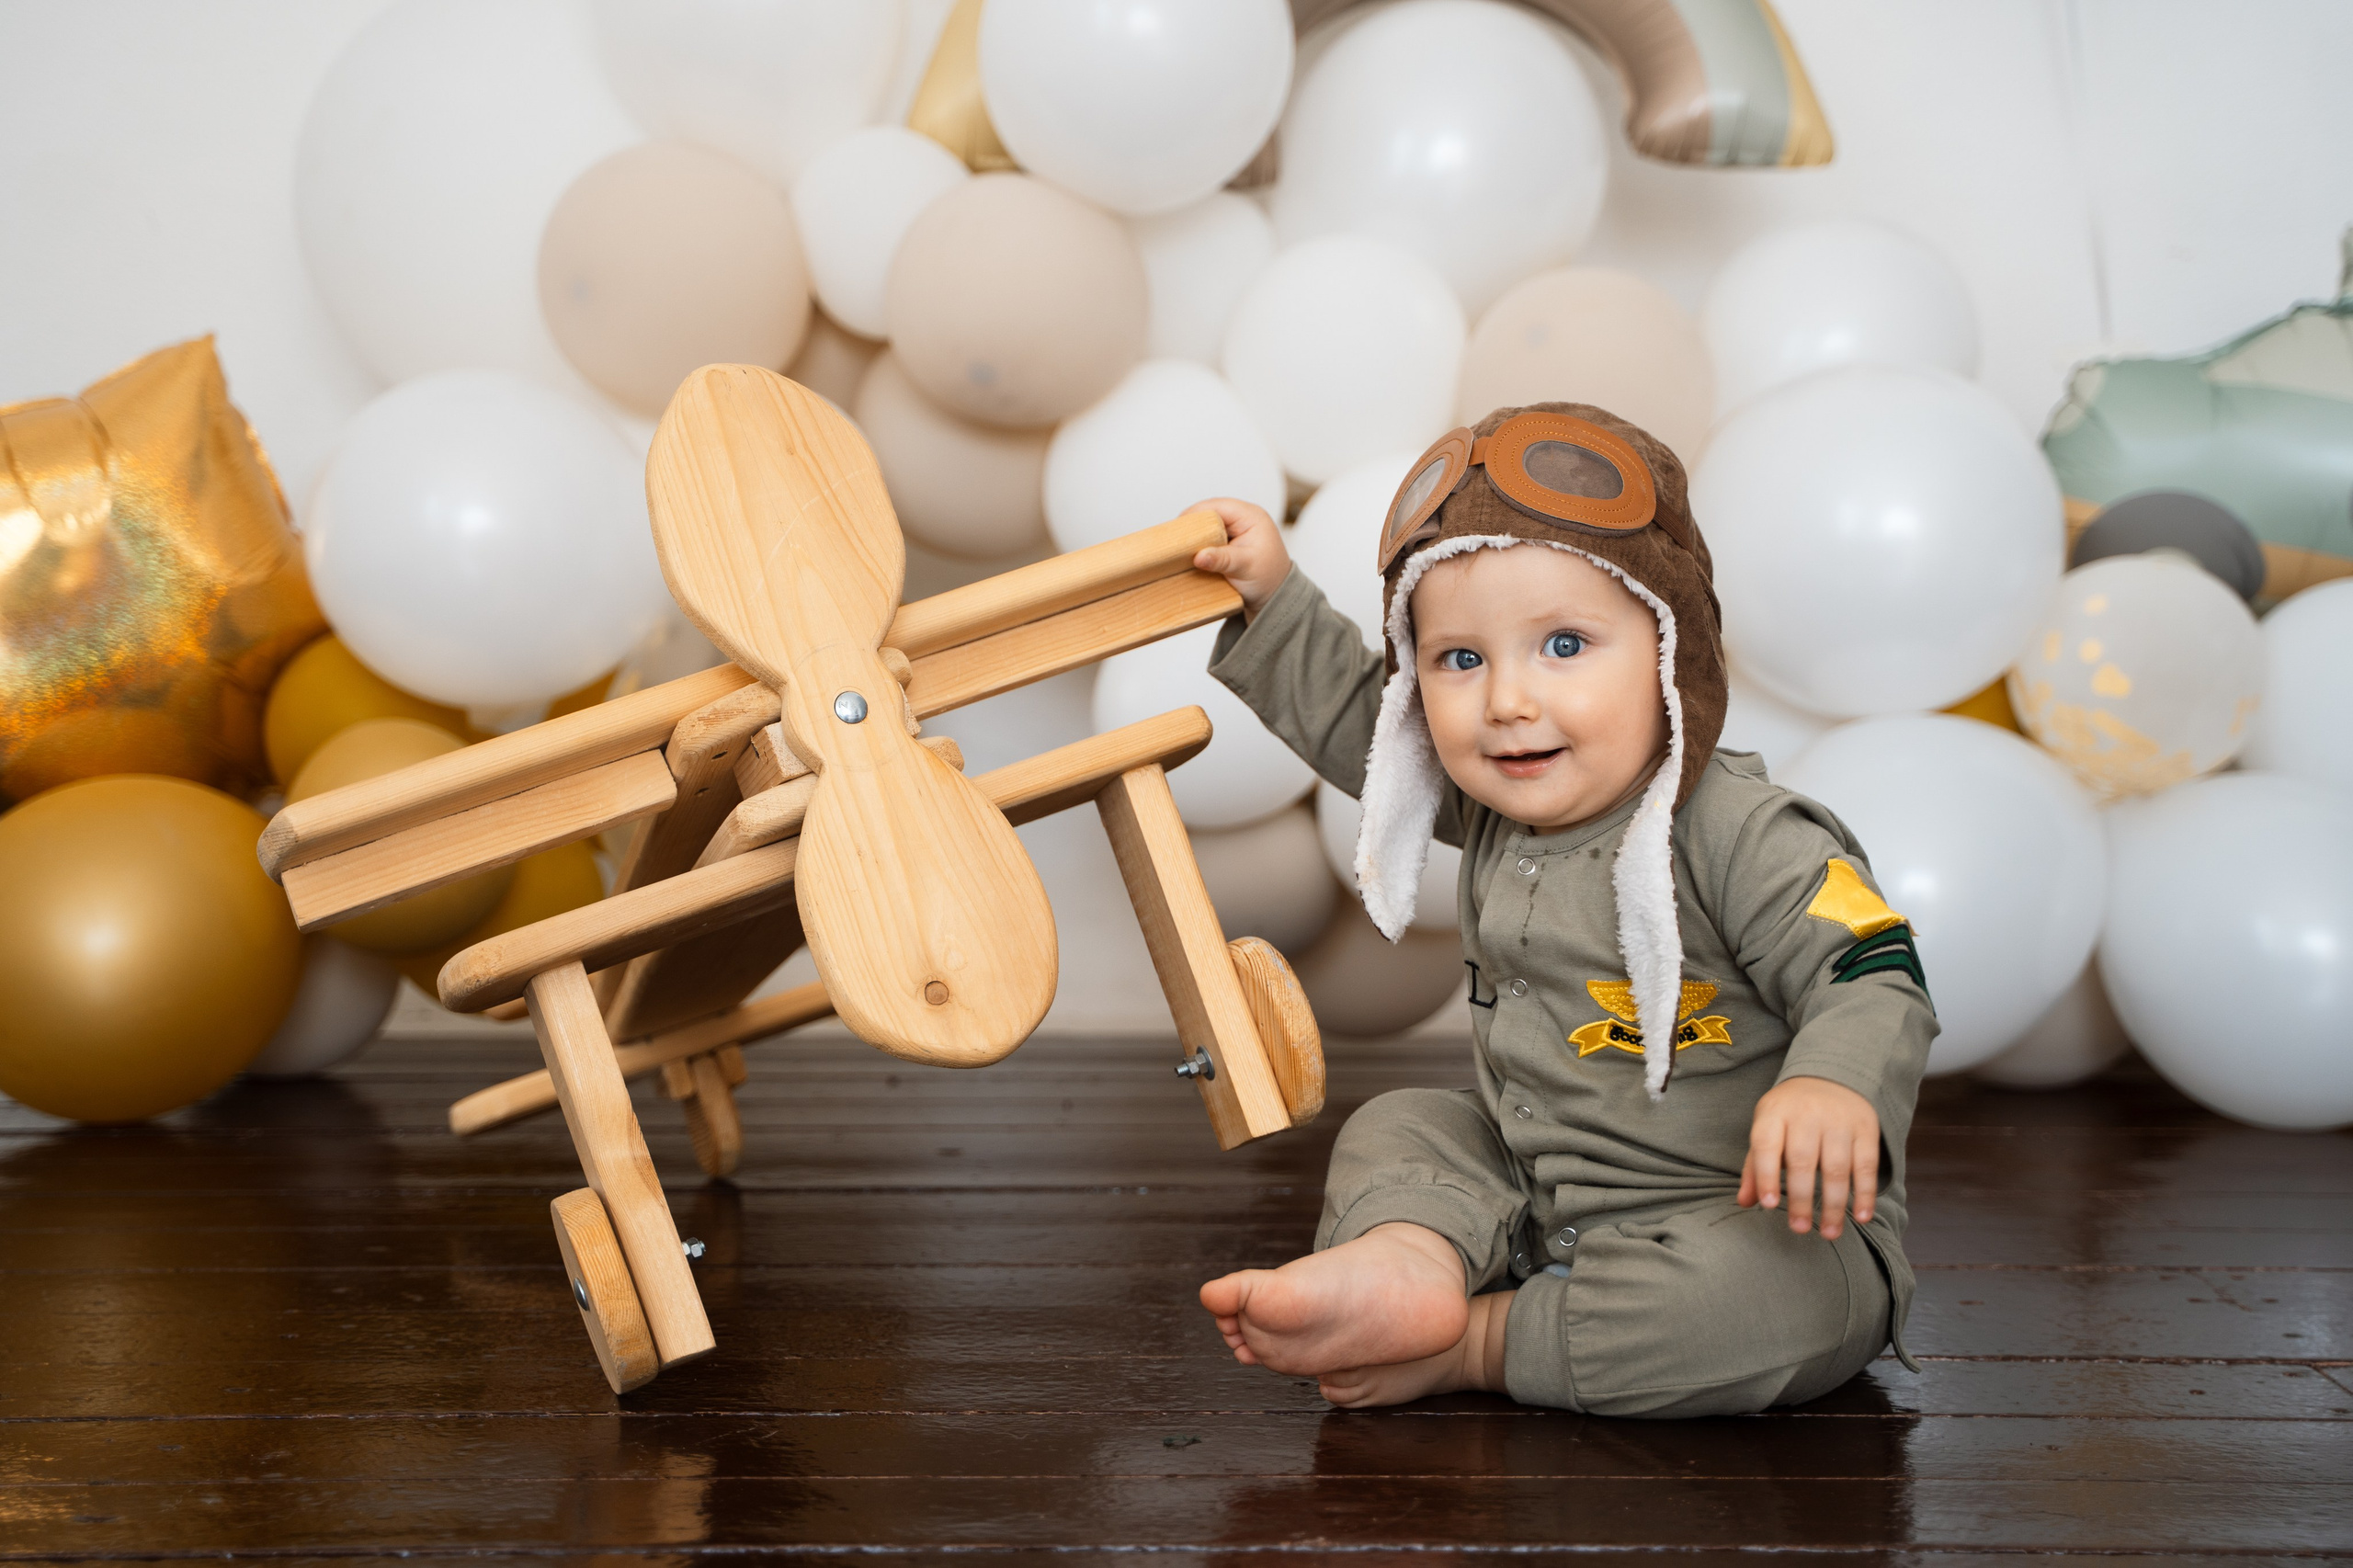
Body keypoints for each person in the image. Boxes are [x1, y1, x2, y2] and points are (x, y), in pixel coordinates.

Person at [1188, 403, 1937, 1416]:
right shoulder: (1498, 799)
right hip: (1541, 1193)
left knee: (1772, 1298)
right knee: (1403, 1122)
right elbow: (1362, 726)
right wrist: (1271, 595)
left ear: (1671, 648)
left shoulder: (1740, 829)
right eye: (1459, 659)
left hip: (1743, 1218)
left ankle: (1477, 1338)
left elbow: (1869, 968)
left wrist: (1832, 1083)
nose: (1505, 700)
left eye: (1564, 644)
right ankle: (1411, 1257)